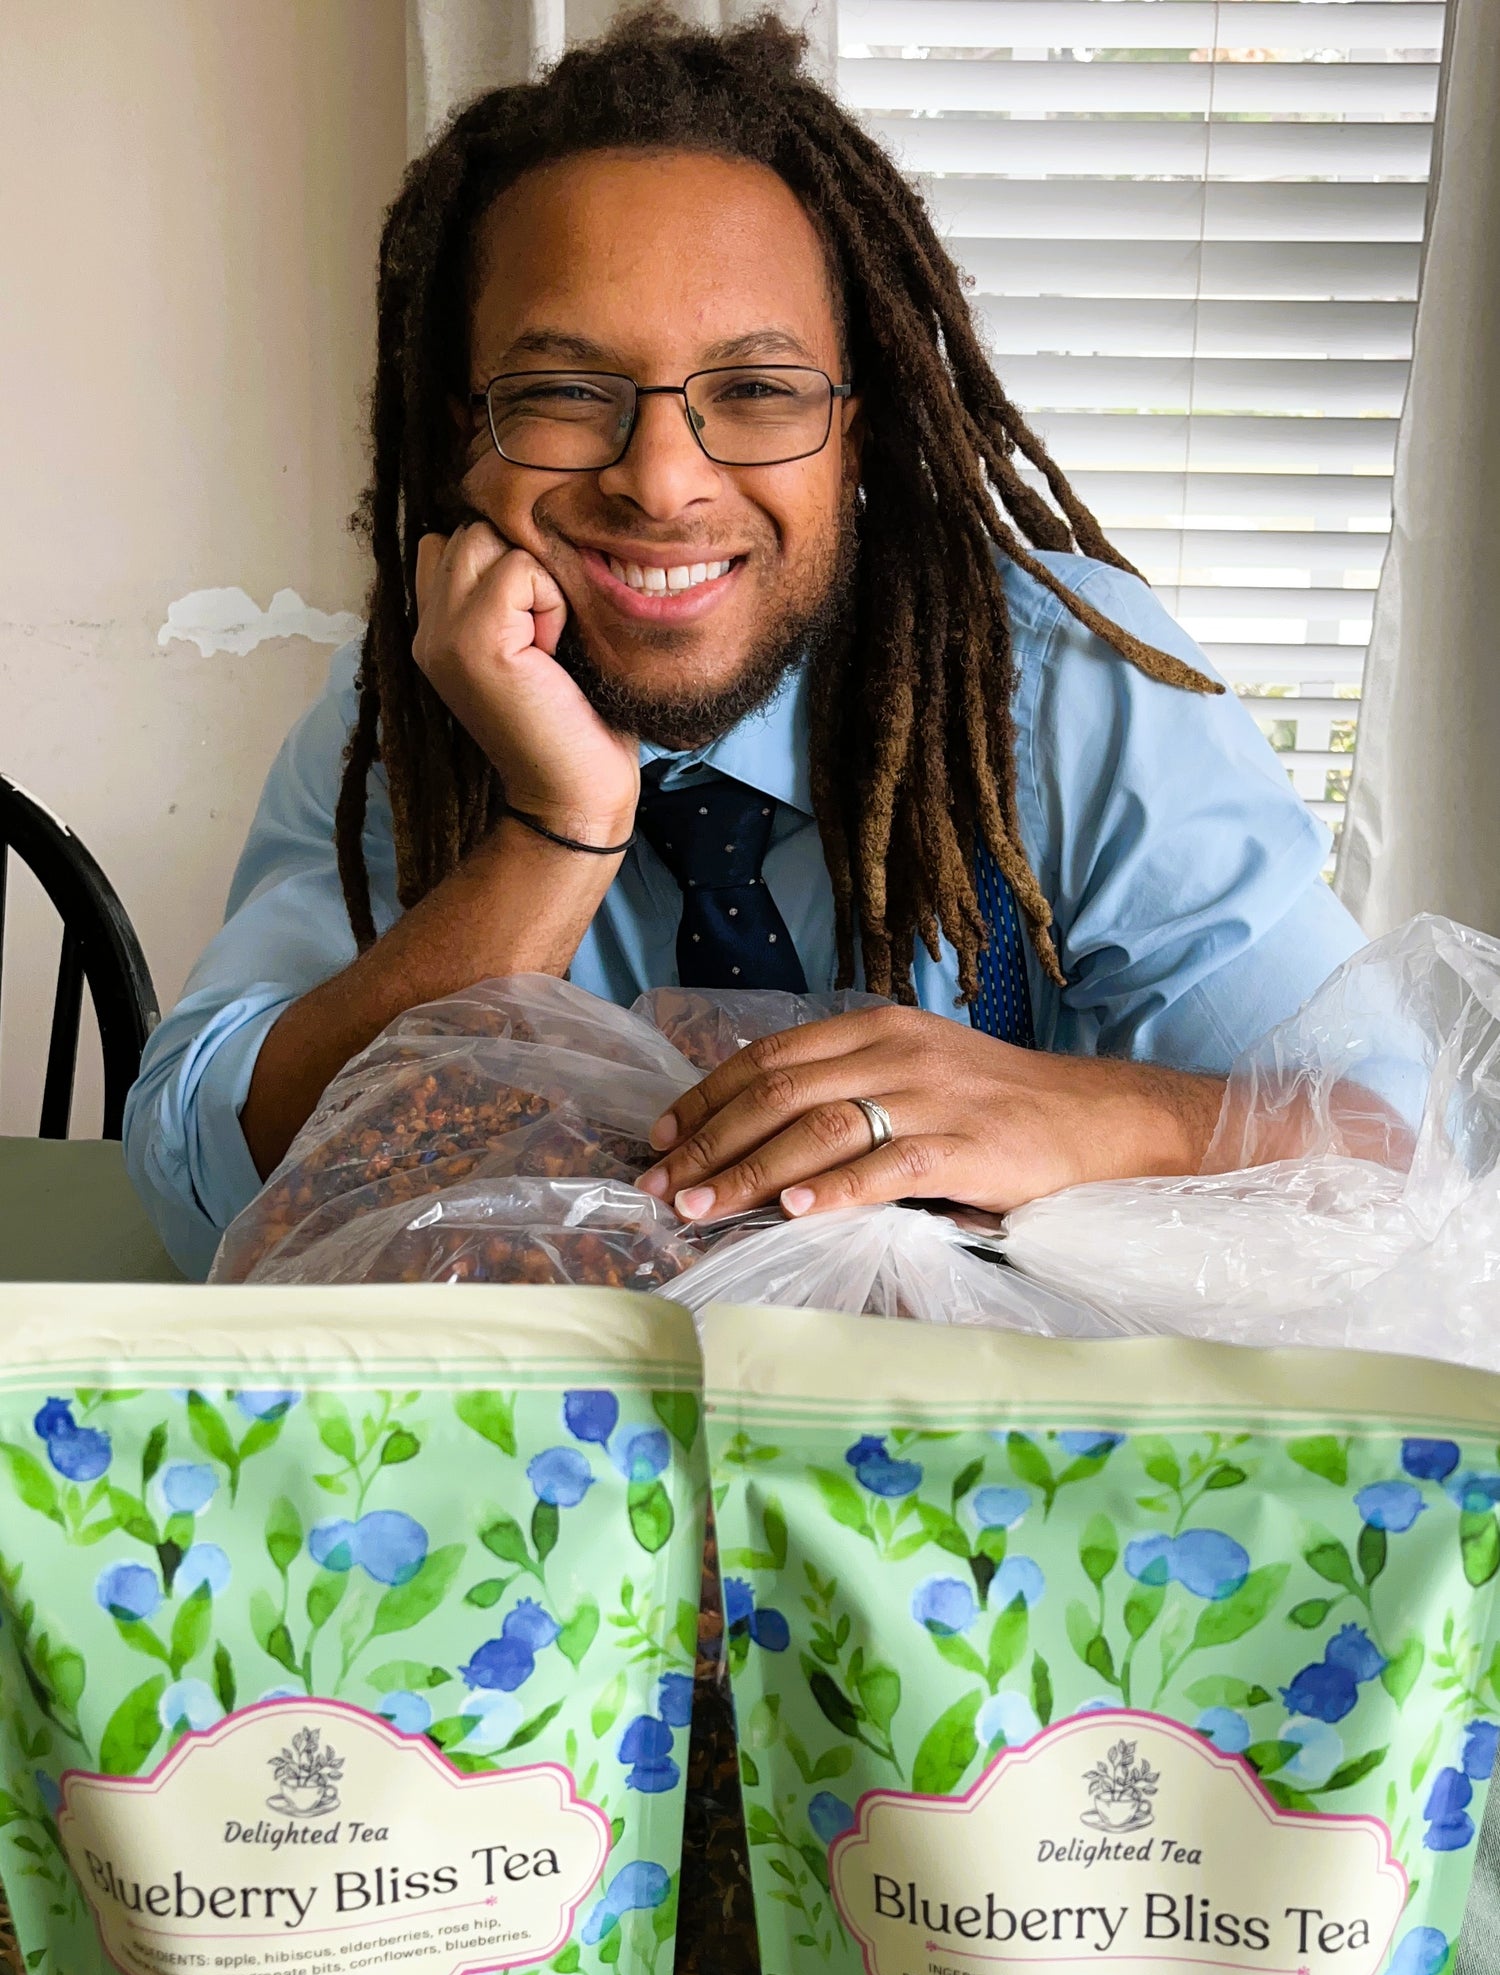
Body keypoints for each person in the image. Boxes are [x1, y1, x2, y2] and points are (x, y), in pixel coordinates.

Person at [125, 5, 1365, 1280]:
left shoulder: (1071, 688)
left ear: (856, 438)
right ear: (467, 440)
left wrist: (1091, 1114)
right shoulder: (415, 719)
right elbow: (207, 1187)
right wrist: (554, 831)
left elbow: (1389, 1148)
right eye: (566, 392)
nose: (663, 482)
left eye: (758, 390)